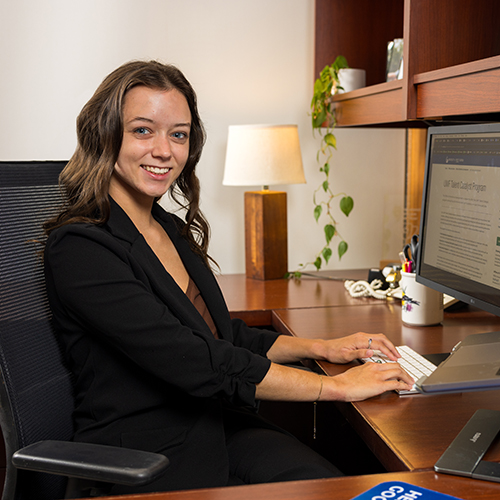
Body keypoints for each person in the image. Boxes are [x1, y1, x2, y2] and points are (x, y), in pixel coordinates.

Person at [43, 60, 413, 494]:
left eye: (178, 134)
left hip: (214, 426)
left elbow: (219, 336)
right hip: (145, 456)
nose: (165, 150)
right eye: (143, 130)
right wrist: (334, 388)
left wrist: (322, 347)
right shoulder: (81, 248)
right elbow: (196, 361)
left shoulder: (167, 228)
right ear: (105, 135)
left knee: (344, 485)